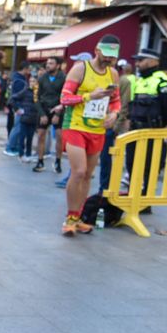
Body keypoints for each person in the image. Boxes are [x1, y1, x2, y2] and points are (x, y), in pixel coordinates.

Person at [58, 37, 122, 236]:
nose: (109, 59)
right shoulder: (80, 69)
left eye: (113, 56)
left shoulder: (113, 74)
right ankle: (70, 218)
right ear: (97, 50)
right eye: (107, 54)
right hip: (75, 126)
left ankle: (78, 217)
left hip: (97, 129)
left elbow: (116, 101)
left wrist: (114, 114)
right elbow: (64, 98)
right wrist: (89, 96)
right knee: (78, 171)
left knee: (87, 175)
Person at [121, 50, 167, 189]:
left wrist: (159, 126)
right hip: (135, 131)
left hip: (152, 131)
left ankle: (146, 197)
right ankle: (133, 195)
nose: (137, 64)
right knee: (131, 164)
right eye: (137, 60)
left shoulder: (162, 81)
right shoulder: (139, 81)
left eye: (141, 60)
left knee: (149, 167)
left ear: (153, 61)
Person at [32, 55, 65, 173]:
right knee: (41, 135)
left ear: (58, 66)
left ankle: (58, 161)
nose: (48, 65)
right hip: (44, 109)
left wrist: (58, 114)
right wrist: (42, 114)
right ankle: (40, 161)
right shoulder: (42, 78)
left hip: (58, 109)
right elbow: (36, 98)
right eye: (47, 63)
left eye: (51, 63)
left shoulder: (64, 78)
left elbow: (65, 97)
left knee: (60, 136)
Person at [4, 63, 36, 162]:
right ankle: (10, 147)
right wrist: (17, 108)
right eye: (29, 69)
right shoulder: (20, 80)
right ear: (25, 69)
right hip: (21, 108)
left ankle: (15, 147)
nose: (30, 72)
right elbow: (16, 96)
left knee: (19, 129)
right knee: (17, 128)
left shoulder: (18, 78)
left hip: (22, 108)